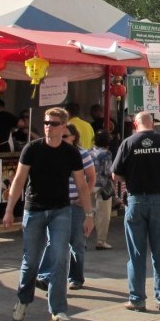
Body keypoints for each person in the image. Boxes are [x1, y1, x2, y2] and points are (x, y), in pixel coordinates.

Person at [2, 107, 94, 321]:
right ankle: (23, 299)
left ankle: (58, 308)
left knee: (59, 258)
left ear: (63, 127)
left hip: (61, 210)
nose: (48, 127)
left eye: (53, 123)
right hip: (34, 209)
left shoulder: (71, 153)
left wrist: (89, 214)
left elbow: (82, 185)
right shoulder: (32, 149)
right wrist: (9, 210)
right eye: (46, 123)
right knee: (31, 260)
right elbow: (19, 180)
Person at [112, 110, 160, 312]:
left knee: (136, 252)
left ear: (135, 125)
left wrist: (132, 175)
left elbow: (115, 175)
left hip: (135, 200)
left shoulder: (128, 143)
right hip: (159, 200)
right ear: (153, 124)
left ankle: (137, 299)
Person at [36, 124, 96, 291]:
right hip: (55, 204)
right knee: (53, 241)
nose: (61, 139)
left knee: (76, 243)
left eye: (65, 136)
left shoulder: (82, 154)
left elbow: (91, 177)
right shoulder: (52, 153)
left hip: (75, 205)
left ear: (73, 137)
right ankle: (45, 277)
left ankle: (76, 277)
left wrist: (84, 198)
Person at [90, 130, 115, 250]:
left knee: (88, 213)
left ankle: (82, 240)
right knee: (103, 215)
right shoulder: (106, 153)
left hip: (89, 185)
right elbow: (107, 171)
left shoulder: (89, 151)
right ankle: (101, 241)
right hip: (102, 186)